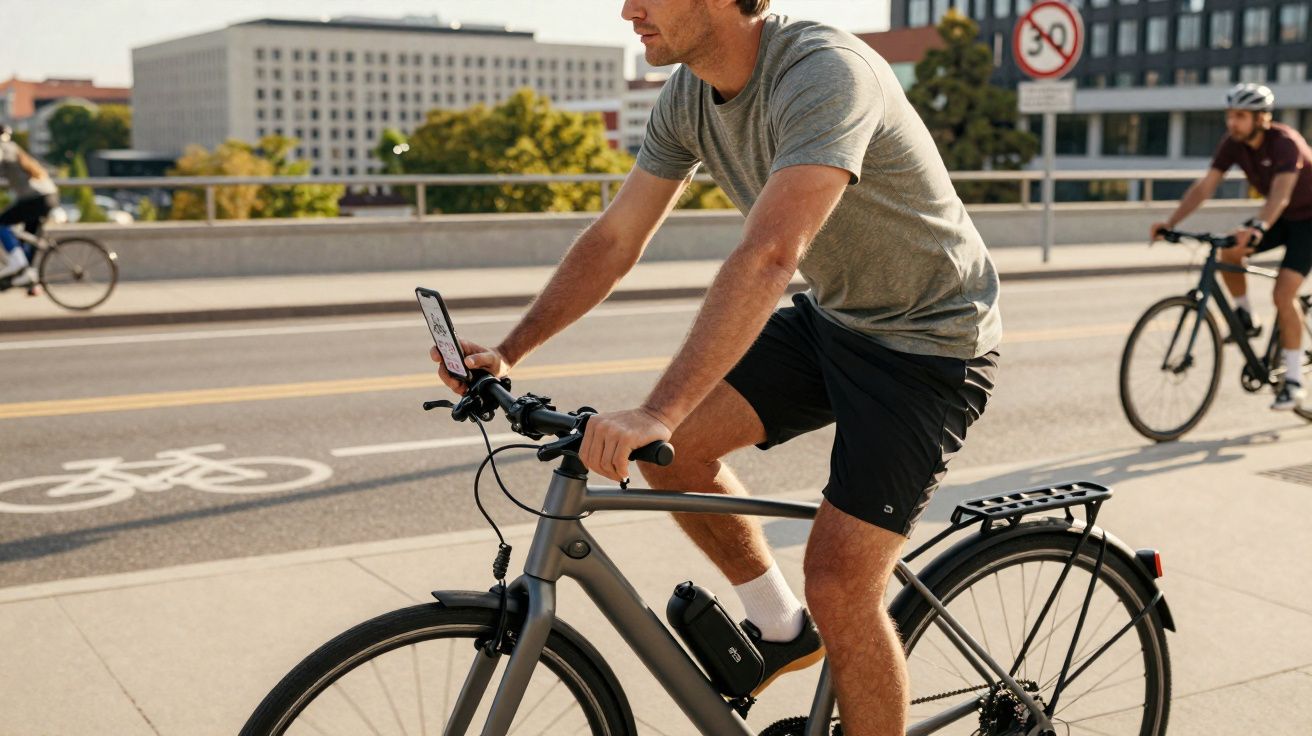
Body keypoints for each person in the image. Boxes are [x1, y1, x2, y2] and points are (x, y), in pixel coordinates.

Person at [431, 2, 1000, 732]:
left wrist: (656, 408)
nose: (626, 9)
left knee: (839, 584)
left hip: (929, 344)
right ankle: (779, 628)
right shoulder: (690, 92)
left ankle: (819, 620)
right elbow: (615, 238)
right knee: (673, 454)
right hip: (839, 318)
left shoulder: (824, 72)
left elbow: (770, 255)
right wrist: (510, 349)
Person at [1152, 83, 1312, 411]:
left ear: (1262, 119)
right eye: (1230, 116)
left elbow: (1281, 193)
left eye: (1240, 116)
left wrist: (1258, 227)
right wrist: (1171, 223)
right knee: (1230, 249)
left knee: (1283, 294)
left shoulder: (1285, 143)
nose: (1232, 123)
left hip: (1309, 218)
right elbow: (1205, 186)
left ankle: (1294, 381)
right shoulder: (1233, 145)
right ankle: (1245, 316)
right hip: (1281, 217)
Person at [0, 125, 58, 293]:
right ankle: (31, 283)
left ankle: (18, 265)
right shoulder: (15, 149)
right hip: (47, 196)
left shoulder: (4, 148)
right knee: (28, 239)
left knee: (2, 224)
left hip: (35, 199)